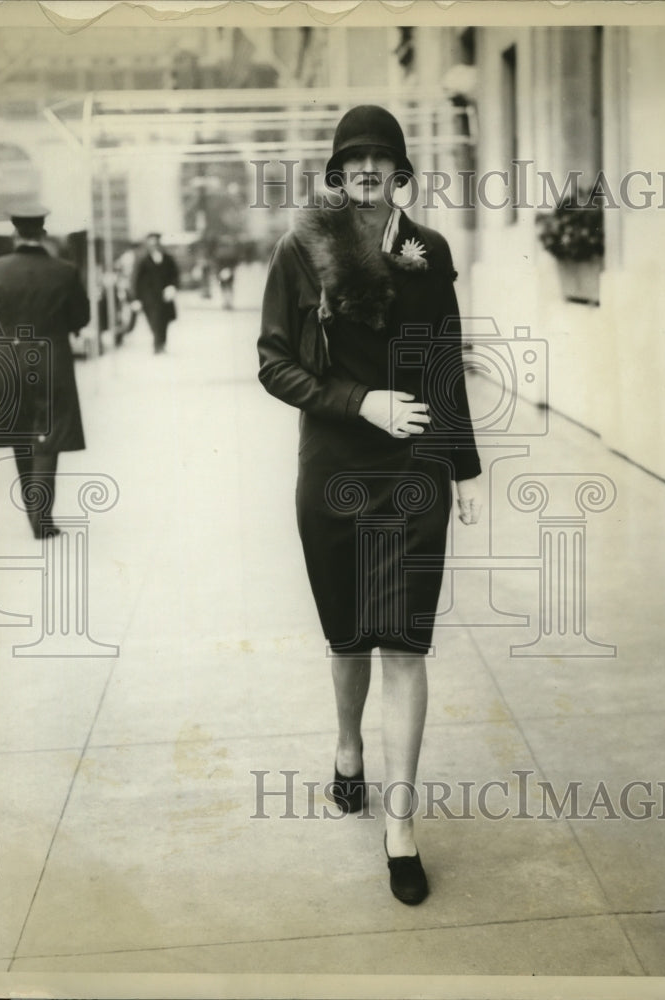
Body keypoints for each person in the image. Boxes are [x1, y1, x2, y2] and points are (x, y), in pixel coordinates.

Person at [258, 106, 483, 905]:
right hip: (334, 464)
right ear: (337, 173)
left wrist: (460, 471)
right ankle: (347, 748)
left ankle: (401, 825)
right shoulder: (302, 249)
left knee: (405, 645)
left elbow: (448, 364)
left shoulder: (433, 253)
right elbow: (273, 364)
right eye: (352, 159)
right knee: (349, 637)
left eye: (379, 159)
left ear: (399, 174)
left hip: (416, 466)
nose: (365, 170)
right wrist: (361, 401)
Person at [0, 206, 90, 538]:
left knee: (20, 433)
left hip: (10, 358)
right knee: (49, 436)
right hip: (52, 360)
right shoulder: (66, 271)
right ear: (43, 234)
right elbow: (80, 318)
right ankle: (41, 517)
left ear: (15, 234)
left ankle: (34, 511)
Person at [132, 232, 179, 354]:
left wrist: (172, 287)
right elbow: (136, 280)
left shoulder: (168, 259)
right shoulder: (144, 261)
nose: (154, 246)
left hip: (164, 297)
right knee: (155, 320)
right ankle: (158, 345)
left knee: (164, 321)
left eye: (156, 243)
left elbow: (174, 275)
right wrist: (136, 298)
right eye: (151, 244)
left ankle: (161, 343)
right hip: (149, 298)